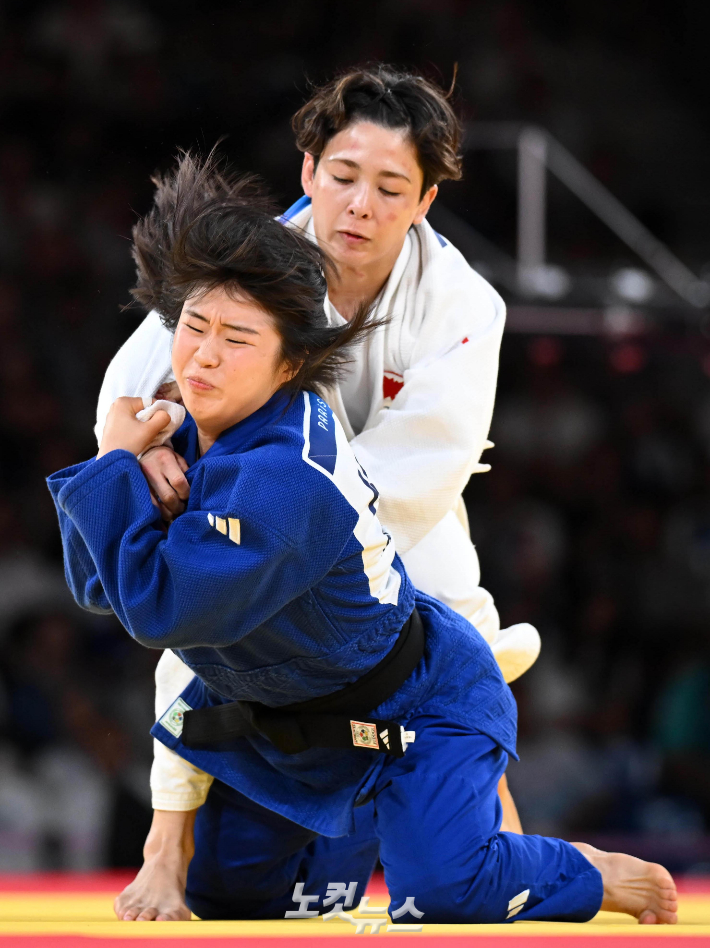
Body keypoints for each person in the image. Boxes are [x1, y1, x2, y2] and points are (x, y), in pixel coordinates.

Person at [49, 155, 677, 925]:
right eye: (196, 328)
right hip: (280, 722)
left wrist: (116, 462)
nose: (205, 355)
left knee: (445, 895)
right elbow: (94, 586)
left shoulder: (288, 475)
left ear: (292, 364)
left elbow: (159, 614)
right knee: (227, 904)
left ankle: (582, 870)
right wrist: (129, 458)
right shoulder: (184, 427)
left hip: (419, 705)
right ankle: (363, 834)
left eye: (238, 339)